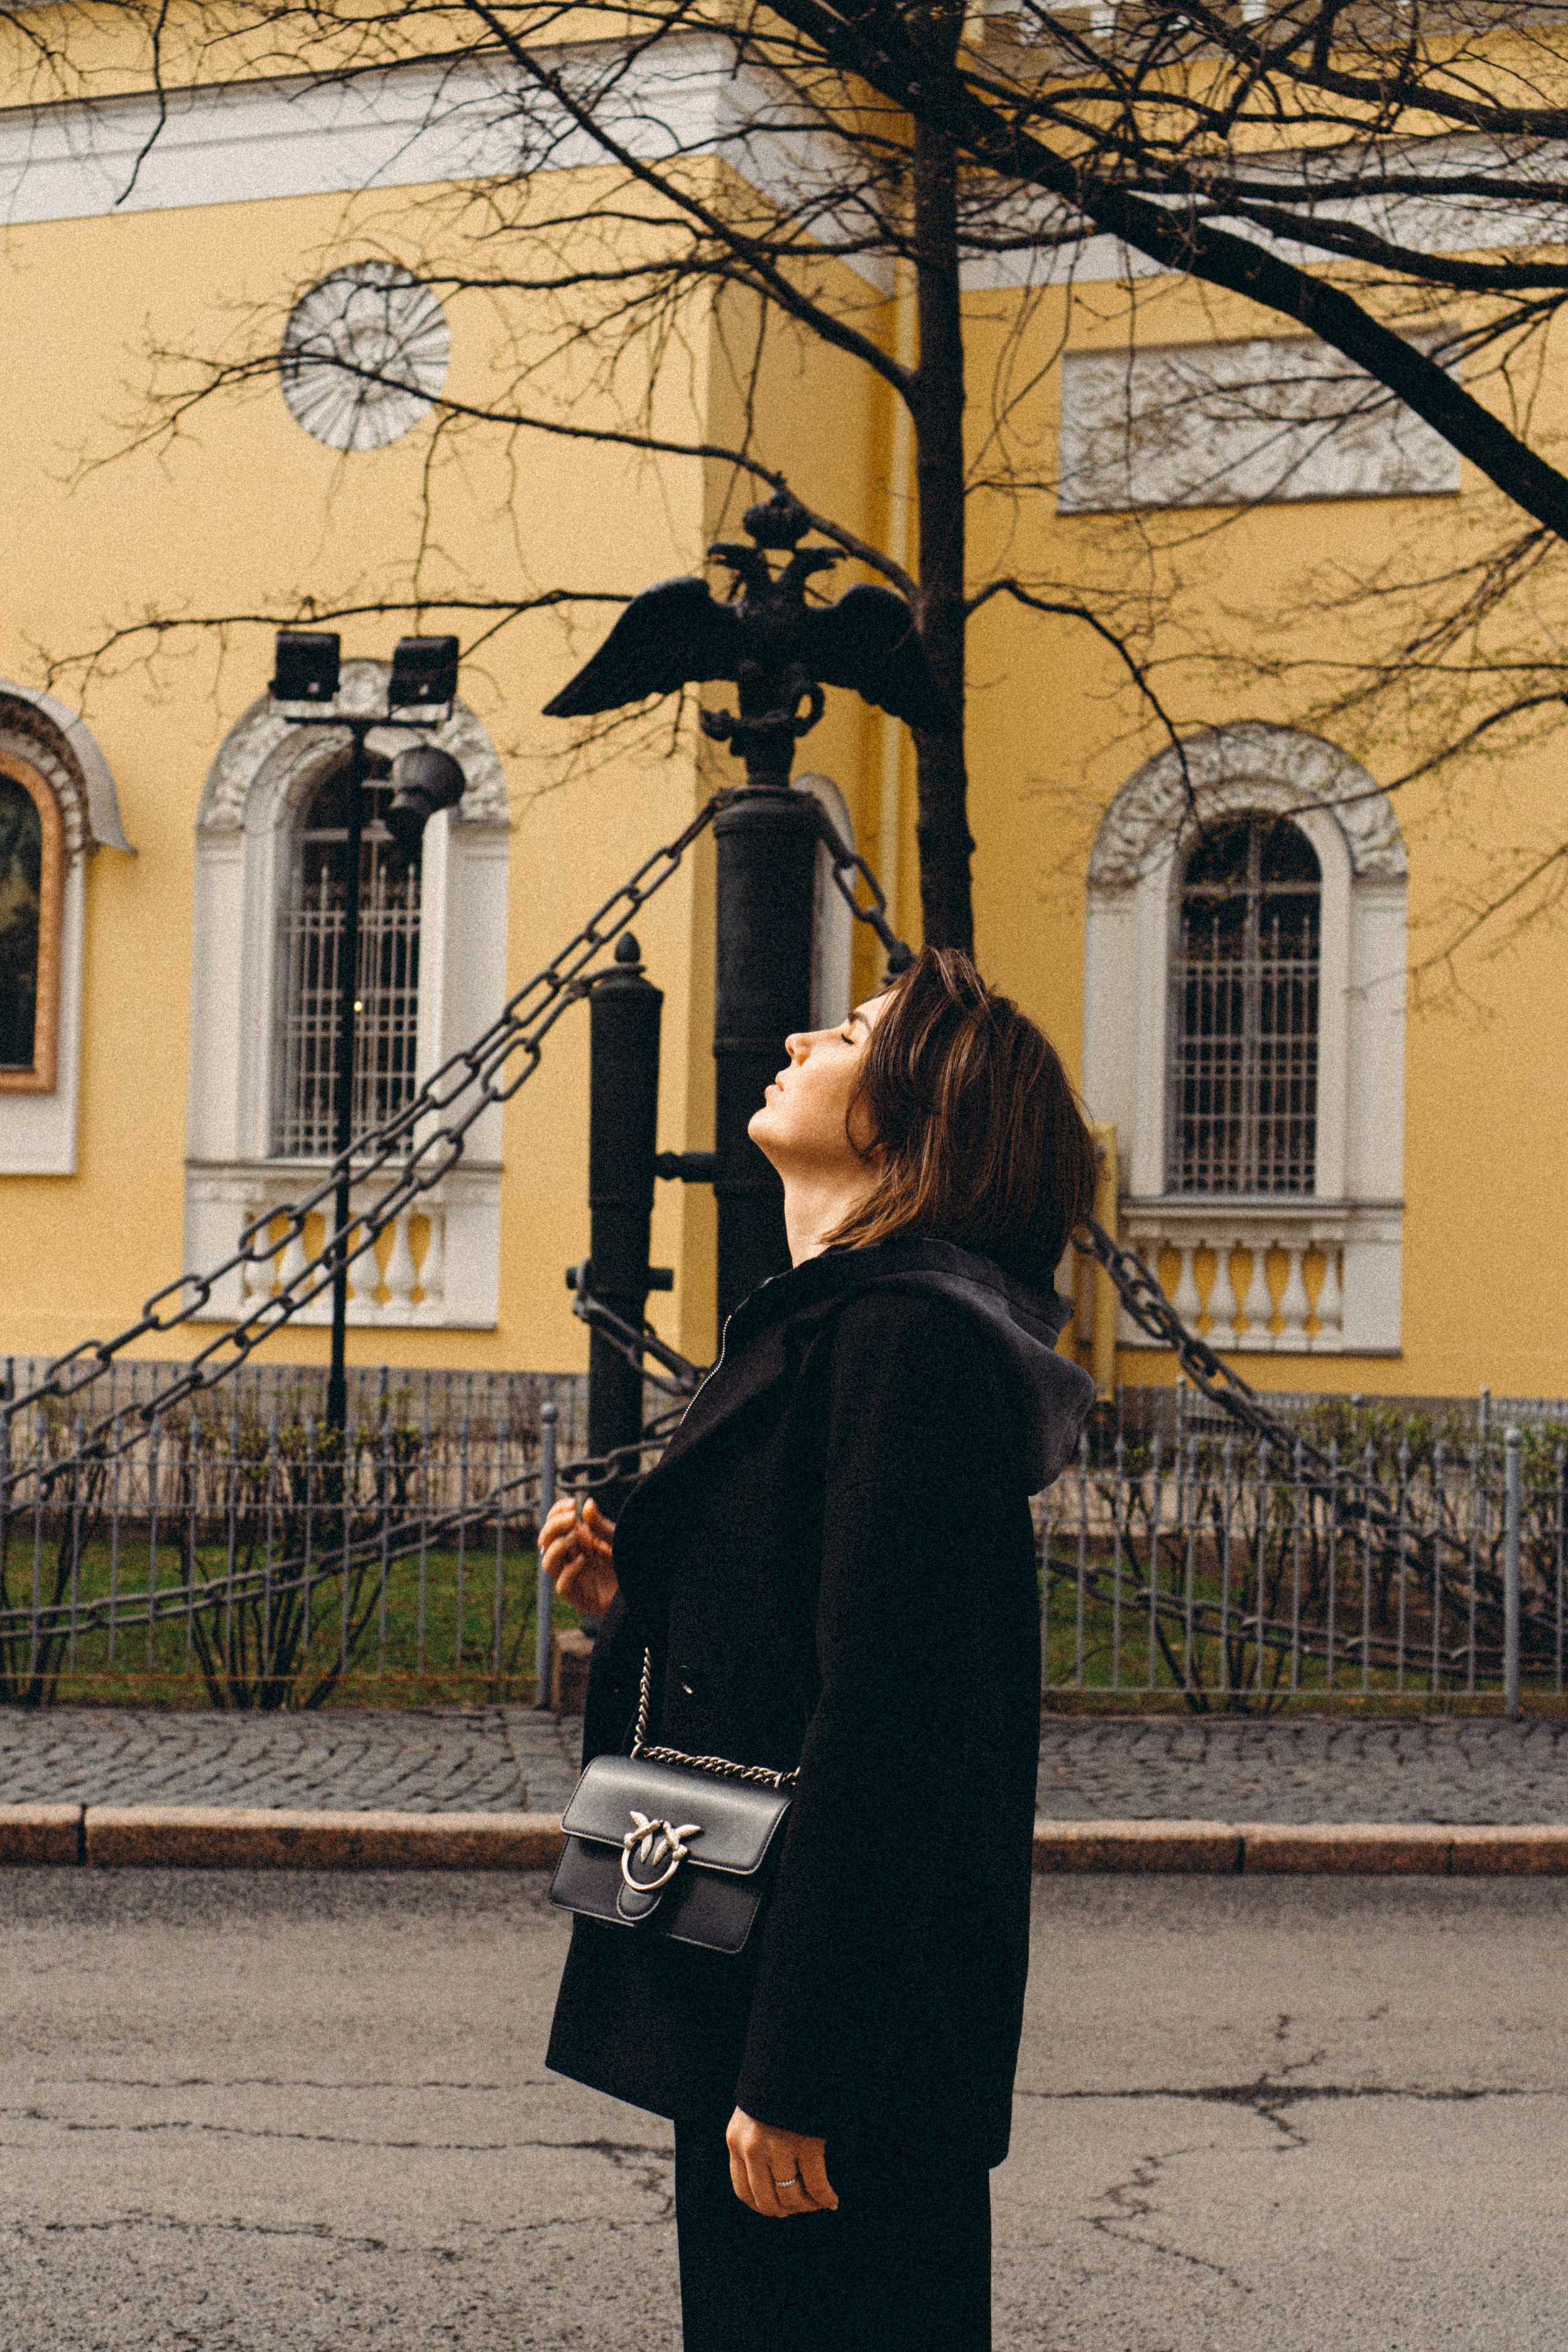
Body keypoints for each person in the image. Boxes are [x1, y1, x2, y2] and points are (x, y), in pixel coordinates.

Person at [541, 946, 1098, 2352]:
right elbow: (812, 1648)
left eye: (850, 1030)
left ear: (921, 1113)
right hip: (766, 1991)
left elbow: (893, 1731)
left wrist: (802, 2068)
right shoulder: (846, 1326)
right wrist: (637, 1606)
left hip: (835, 2045)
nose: (798, 1035)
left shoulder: (906, 1345)